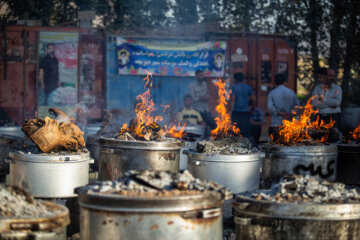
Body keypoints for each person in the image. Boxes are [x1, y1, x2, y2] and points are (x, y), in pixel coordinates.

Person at [267, 73, 299, 137]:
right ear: (285, 81)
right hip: (289, 123)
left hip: (276, 124)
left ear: (275, 82)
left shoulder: (272, 93)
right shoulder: (292, 92)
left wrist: (281, 114)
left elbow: (270, 107)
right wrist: (289, 113)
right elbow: (297, 106)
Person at [229, 72, 254, 138]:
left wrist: (231, 111)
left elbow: (233, 100)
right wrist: (251, 107)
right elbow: (253, 99)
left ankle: (237, 145)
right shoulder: (248, 87)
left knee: (236, 129)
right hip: (246, 111)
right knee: (246, 129)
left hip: (237, 111)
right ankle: (247, 145)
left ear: (235, 79)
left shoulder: (234, 88)